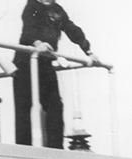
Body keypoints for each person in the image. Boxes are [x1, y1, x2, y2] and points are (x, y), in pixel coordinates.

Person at [13, 0, 99, 148]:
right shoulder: (32, 6)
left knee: (55, 107)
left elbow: (72, 30)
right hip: (26, 63)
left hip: (45, 64)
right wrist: (37, 43)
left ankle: (55, 150)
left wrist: (89, 51)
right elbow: (28, 30)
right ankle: (23, 150)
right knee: (23, 109)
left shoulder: (57, 9)